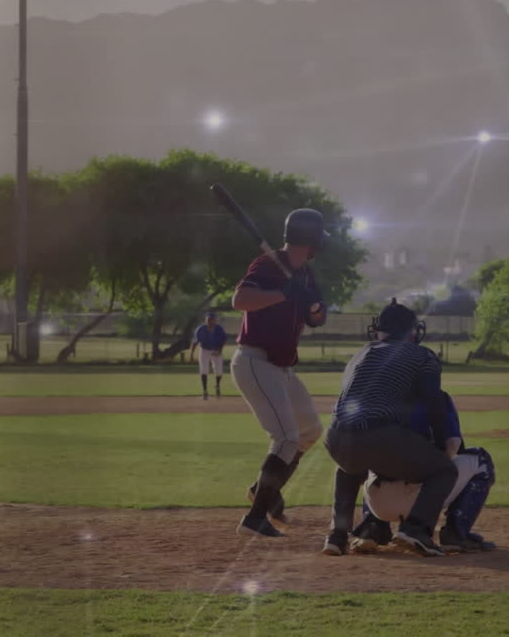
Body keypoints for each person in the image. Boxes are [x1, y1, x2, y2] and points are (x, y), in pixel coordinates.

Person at [320, 299, 457, 557]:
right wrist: (440, 445)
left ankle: (337, 536)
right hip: (378, 435)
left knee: (349, 467)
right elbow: (433, 403)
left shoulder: (361, 353)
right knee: (445, 470)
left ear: (378, 329)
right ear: (411, 330)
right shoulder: (422, 355)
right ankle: (416, 529)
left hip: (335, 436)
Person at [229, 208, 329, 537]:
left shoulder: (305, 273)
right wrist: (282, 294)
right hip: (256, 361)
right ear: (309, 241)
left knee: (309, 431)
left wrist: (313, 305)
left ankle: (264, 490)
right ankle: (255, 518)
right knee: (285, 437)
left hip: (283, 366)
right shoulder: (268, 265)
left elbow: (316, 319)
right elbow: (240, 299)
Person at [344, 389, 497, 555]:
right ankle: (455, 534)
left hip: (378, 505)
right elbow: (452, 446)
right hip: (422, 502)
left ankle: (371, 527)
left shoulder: (375, 396)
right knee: (481, 459)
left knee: (375, 457)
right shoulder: (437, 397)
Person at [190, 311, 228, 399]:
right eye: (208, 320)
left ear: (215, 321)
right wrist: (192, 355)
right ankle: (205, 391)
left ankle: (217, 386)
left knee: (219, 371)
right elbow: (195, 342)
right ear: (205, 320)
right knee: (204, 370)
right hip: (204, 350)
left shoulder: (219, 329)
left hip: (216, 350)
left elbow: (224, 340)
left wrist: (220, 350)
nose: (210, 321)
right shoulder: (201, 329)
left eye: (212, 319)